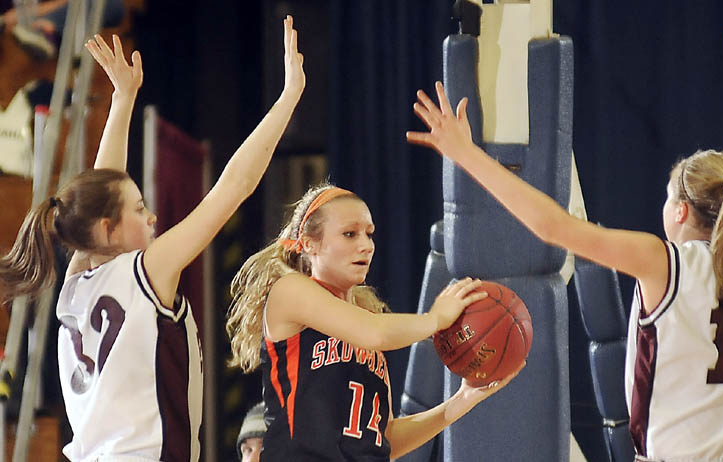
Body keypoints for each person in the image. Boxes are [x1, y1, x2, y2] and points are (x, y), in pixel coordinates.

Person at [406, 7, 723, 462]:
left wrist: (464, 154)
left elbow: (553, 226)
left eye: (666, 197)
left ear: (680, 211)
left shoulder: (664, 263)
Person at [0, 15, 304, 461]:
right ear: (108, 229)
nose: (153, 217)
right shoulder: (146, 270)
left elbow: (103, 188)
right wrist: (288, 98)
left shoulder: (78, 278)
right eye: (140, 210)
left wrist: (123, 100)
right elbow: (234, 185)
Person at [226, 181, 523, 461]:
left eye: (369, 234)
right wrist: (435, 319)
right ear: (310, 244)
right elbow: (374, 334)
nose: (366, 245)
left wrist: (462, 400)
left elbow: (385, 438)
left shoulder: (369, 320)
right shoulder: (290, 291)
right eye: (350, 234)